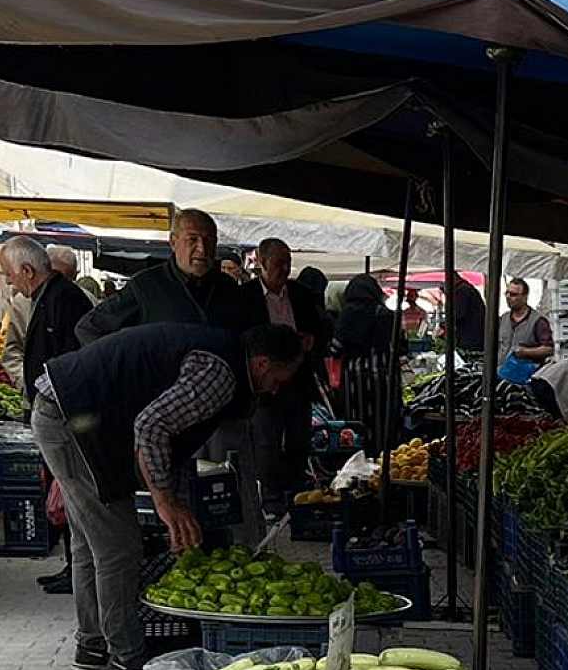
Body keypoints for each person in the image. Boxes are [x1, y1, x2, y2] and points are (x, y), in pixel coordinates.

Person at [32, 322, 304, 670]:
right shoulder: (221, 375)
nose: (277, 388)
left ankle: (92, 646)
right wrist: (164, 503)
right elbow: (152, 425)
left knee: (90, 541)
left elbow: (168, 441)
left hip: (67, 410)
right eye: (280, 378)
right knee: (118, 547)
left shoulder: (220, 358)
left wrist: (171, 503)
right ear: (262, 363)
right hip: (71, 418)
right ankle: (126, 658)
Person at [0, 236, 94, 592]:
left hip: (67, 422)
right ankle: (74, 570)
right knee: (68, 503)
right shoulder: (45, 299)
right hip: (54, 416)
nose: (9, 282)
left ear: (27, 270)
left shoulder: (63, 300)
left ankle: (78, 574)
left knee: (74, 500)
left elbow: (72, 363)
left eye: (10, 275)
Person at [237, 238, 328, 516]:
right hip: (264, 381)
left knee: (300, 437)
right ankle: (272, 498)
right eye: (279, 262)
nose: (285, 268)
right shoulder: (245, 297)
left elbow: (321, 329)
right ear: (261, 264)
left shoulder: (300, 294)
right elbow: (241, 337)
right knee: (267, 439)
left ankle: (296, 492)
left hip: (297, 377)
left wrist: (312, 339)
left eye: (288, 262)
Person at [76, 209, 248, 344]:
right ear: (173, 242)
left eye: (209, 240)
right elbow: (89, 328)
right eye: (192, 239)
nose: (202, 248)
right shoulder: (146, 285)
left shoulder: (228, 287)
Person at [331, 274, 403, 445]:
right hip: (387, 377)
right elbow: (402, 345)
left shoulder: (348, 315)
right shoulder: (388, 315)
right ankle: (386, 456)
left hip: (357, 382)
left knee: (359, 425)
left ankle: (361, 455)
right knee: (385, 421)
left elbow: (336, 348)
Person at [498, 278, 554, 367]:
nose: (508, 297)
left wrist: (526, 352)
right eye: (507, 293)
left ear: (524, 297)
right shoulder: (503, 318)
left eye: (513, 294)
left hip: (526, 375)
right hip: (502, 373)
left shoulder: (538, 321)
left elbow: (549, 349)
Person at [440, 272, 486, 352]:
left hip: (470, 337)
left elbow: (458, 314)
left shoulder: (462, 290)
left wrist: (445, 324)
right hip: (474, 335)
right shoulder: (466, 289)